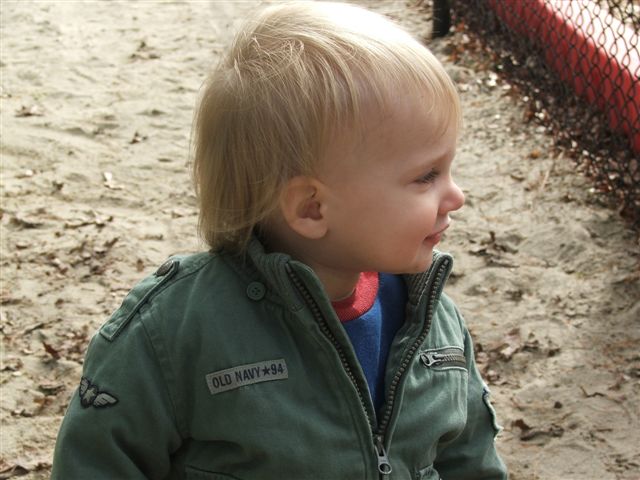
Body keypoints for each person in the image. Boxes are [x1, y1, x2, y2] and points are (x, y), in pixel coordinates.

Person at [52, 2, 508, 478]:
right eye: (426, 176)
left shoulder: (429, 317)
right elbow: (96, 462)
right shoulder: (175, 333)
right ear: (312, 208)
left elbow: (468, 457)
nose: (455, 196)